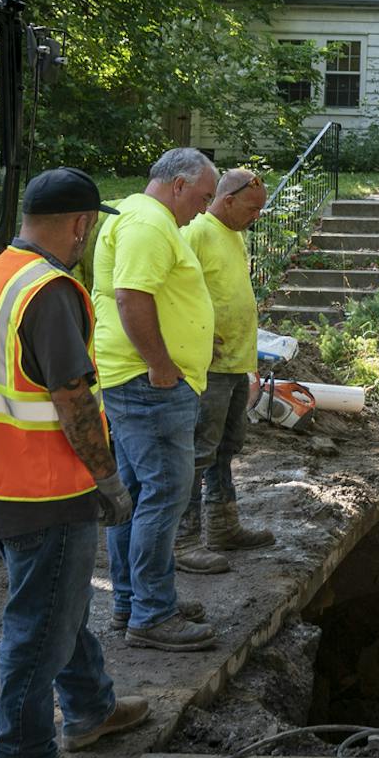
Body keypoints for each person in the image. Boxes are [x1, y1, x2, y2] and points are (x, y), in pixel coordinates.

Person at [0, 167, 147, 758]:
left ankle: (91, 708)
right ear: (81, 223)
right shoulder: (51, 291)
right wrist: (109, 479)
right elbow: (72, 399)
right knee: (39, 625)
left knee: (61, 605)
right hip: (46, 488)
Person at [91, 147, 219, 650]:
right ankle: (152, 613)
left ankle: (135, 601)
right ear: (180, 185)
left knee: (137, 498)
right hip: (150, 386)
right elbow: (131, 297)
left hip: (137, 382)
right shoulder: (147, 224)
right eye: (204, 197)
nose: (205, 209)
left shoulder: (142, 217)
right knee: (165, 494)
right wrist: (162, 366)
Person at [180, 167, 276, 558]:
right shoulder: (197, 233)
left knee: (227, 445)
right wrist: (196, 335)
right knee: (201, 448)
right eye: (252, 208)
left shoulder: (234, 236)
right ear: (228, 200)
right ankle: (185, 539)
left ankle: (222, 526)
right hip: (210, 365)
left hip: (236, 362)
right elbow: (178, 292)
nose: (256, 217)